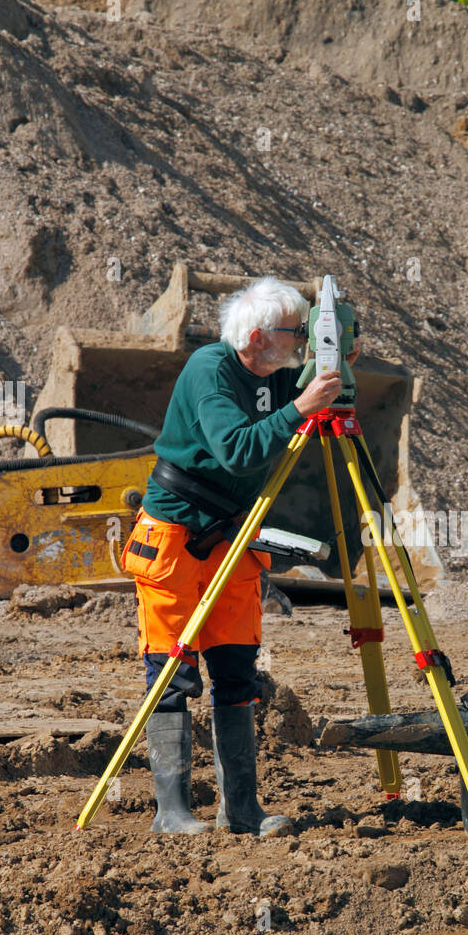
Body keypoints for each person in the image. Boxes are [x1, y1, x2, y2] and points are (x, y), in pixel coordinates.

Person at [121, 276, 357, 836]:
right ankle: (172, 812)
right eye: (295, 333)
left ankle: (241, 811)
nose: (302, 341)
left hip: (232, 536)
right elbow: (237, 450)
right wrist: (300, 406)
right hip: (176, 537)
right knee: (173, 671)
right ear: (256, 338)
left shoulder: (276, 375)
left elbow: (302, 406)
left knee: (236, 668)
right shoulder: (211, 369)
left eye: (307, 331)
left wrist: (334, 348)